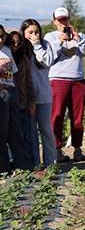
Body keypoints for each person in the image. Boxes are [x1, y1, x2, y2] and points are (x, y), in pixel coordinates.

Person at [44, 7, 85, 163]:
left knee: (77, 118)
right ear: (55, 21)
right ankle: (57, 150)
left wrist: (78, 39)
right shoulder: (50, 37)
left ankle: (77, 149)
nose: (63, 23)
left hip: (78, 80)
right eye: (60, 20)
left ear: (69, 20)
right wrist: (60, 41)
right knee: (56, 116)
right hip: (58, 80)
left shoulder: (80, 36)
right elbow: (49, 58)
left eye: (65, 19)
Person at [21, 19, 56, 168]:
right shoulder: (20, 48)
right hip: (28, 98)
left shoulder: (44, 46)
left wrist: (37, 46)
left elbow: (47, 62)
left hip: (43, 96)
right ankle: (35, 164)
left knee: (46, 129)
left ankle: (50, 163)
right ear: (24, 33)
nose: (34, 35)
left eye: (37, 32)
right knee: (31, 133)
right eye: (30, 32)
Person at [0, 25, 34, 173]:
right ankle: (3, 169)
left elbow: (12, 74)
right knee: (2, 134)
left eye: (2, 36)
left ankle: (24, 167)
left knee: (16, 132)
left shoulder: (6, 51)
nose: (0, 39)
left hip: (11, 93)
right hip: (1, 95)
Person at [9, 30, 38, 166]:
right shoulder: (4, 57)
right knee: (10, 138)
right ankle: (13, 165)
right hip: (8, 104)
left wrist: (31, 102)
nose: (15, 45)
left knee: (27, 137)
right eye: (12, 42)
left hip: (22, 104)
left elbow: (29, 82)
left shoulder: (24, 59)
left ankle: (30, 164)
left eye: (19, 43)